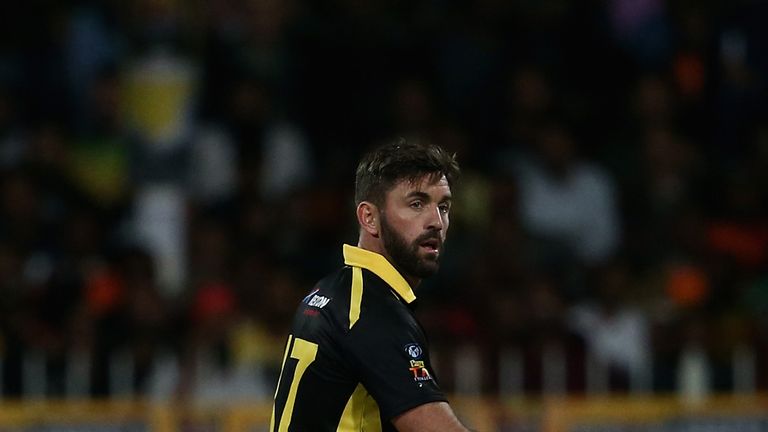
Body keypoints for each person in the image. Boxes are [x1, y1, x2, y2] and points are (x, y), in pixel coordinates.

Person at [269, 139, 472, 431]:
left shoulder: (331, 290)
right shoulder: (370, 312)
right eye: (416, 204)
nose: (436, 222)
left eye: (444, 206)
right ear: (369, 218)